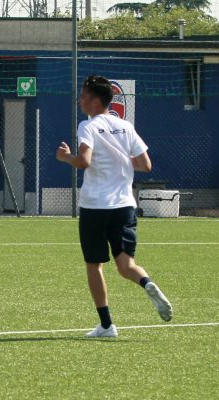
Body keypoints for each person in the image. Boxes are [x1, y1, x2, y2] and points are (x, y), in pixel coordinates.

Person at [56, 75, 173, 338]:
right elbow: (145, 165)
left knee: (94, 265)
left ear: (95, 101)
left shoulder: (88, 125)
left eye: (83, 96)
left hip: (95, 207)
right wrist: (119, 159)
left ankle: (107, 325)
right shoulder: (125, 126)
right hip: (123, 206)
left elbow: (84, 161)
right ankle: (147, 283)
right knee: (126, 265)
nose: (80, 100)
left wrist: (65, 158)